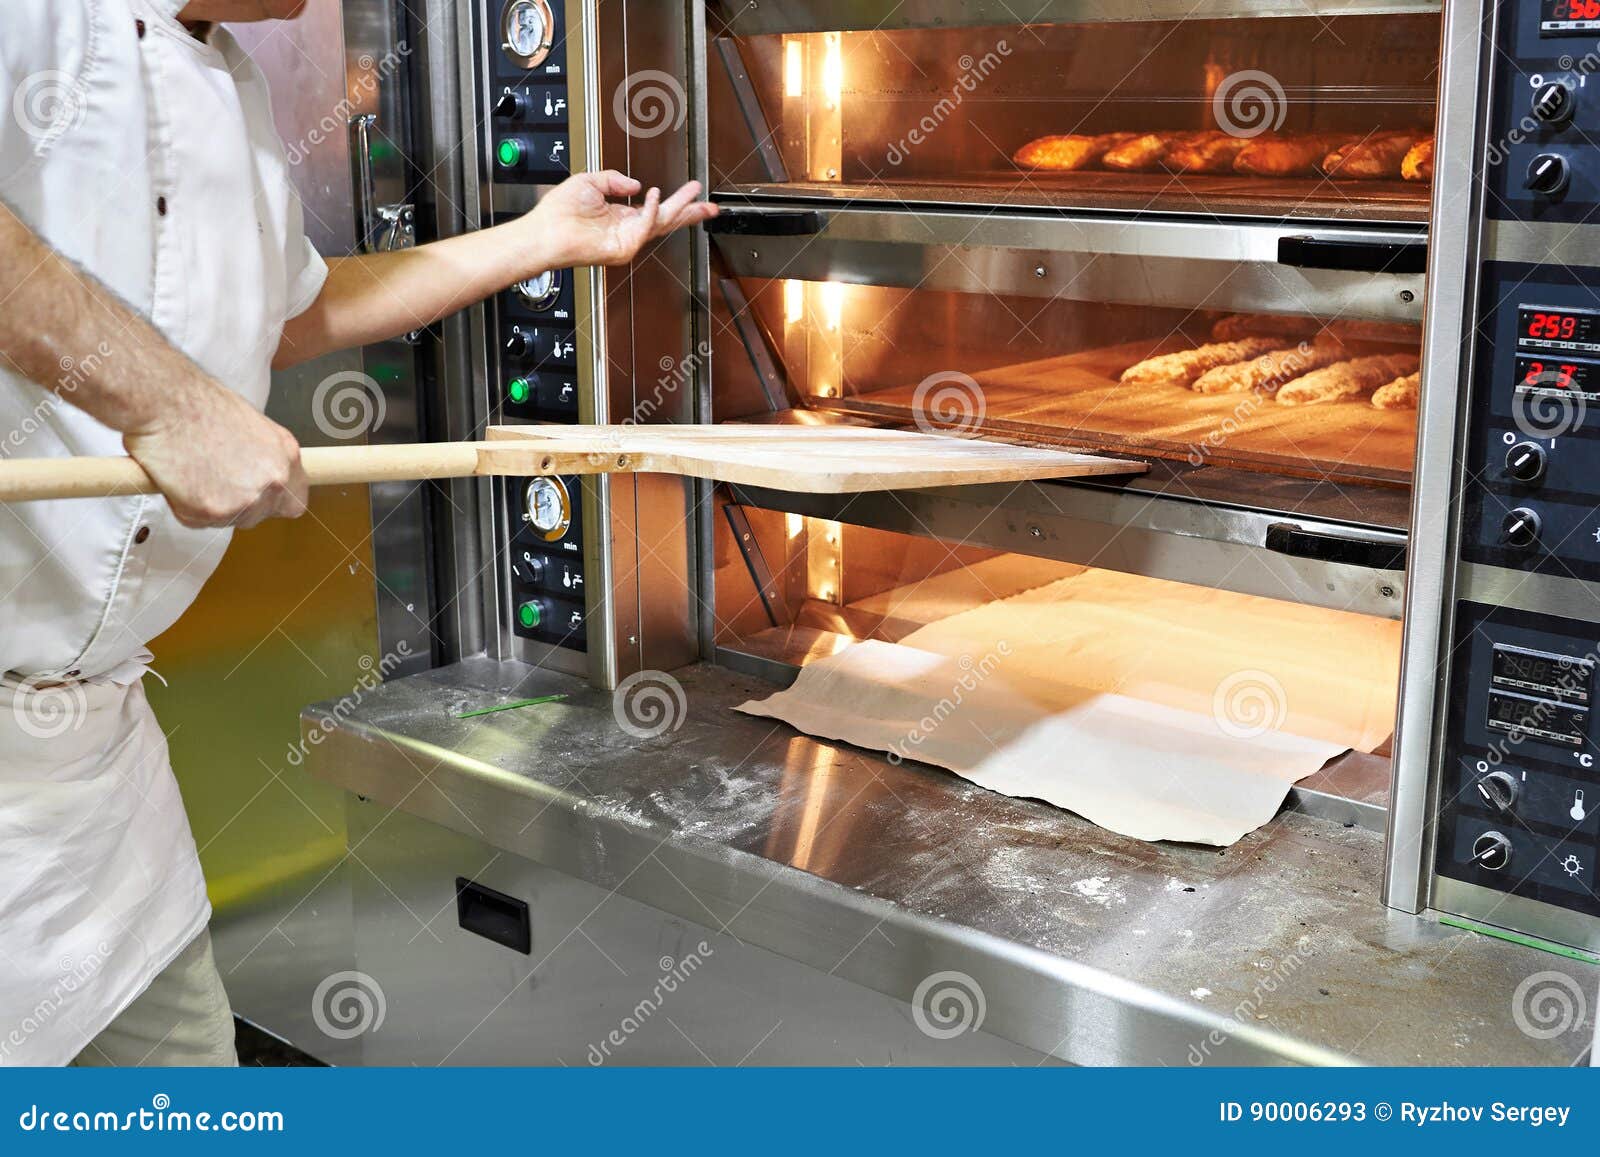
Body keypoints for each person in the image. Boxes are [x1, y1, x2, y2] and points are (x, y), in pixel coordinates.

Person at [0, 0, 716, 1067]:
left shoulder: (228, 87)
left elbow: (287, 310)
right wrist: (170, 403)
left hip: (91, 772)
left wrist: (537, 240)